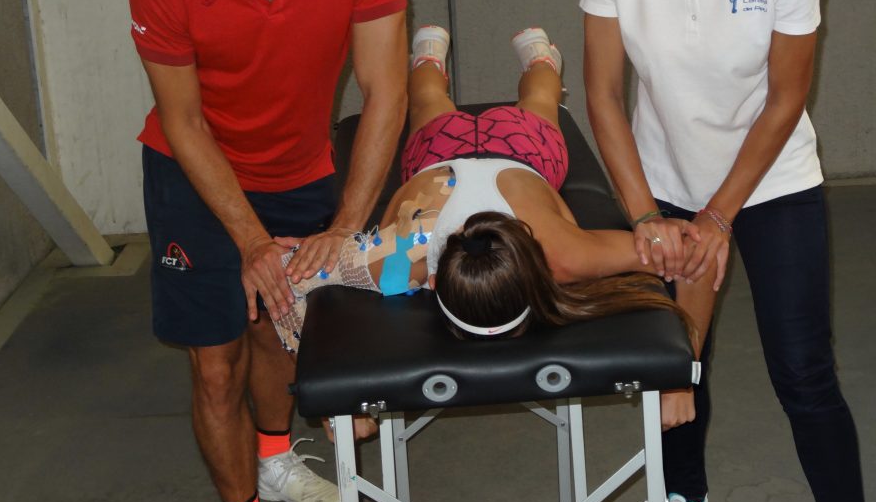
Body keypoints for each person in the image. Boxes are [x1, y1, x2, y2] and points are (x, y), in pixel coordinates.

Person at [581, 0, 865, 502]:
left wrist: (719, 216)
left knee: (803, 372)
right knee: (676, 361)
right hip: (662, 180)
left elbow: (785, 99)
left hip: (770, 183)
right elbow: (604, 95)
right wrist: (647, 216)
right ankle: (685, 498)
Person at [129, 0, 407, 502]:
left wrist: (346, 225)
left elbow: (384, 91)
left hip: (299, 164)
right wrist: (251, 240)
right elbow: (183, 120)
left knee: (279, 328)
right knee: (218, 364)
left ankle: (276, 458)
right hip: (195, 169)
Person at [271, 25, 700, 353]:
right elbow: (290, 275)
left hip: (521, 150)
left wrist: (331, 398)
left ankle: (532, 58)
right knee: (431, 103)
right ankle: (446, 54)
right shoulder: (398, 262)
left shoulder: (565, 257)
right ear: (436, 282)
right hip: (442, 152)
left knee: (538, 103)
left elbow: (680, 249)